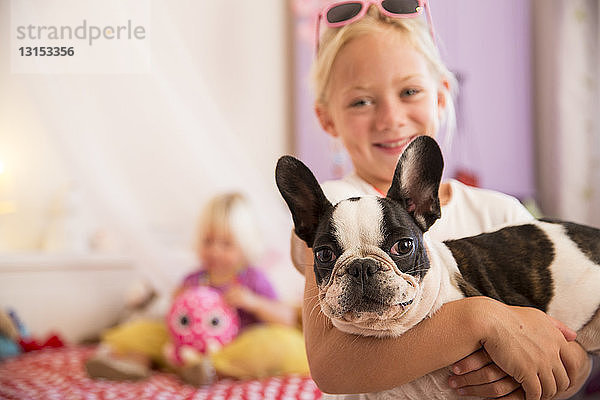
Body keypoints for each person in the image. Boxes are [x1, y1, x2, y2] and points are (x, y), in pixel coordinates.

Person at [291, 2, 592, 399]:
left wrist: (572, 366)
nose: (390, 117)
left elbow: (567, 340)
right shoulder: (335, 207)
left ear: (442, 95)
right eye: (361, 101)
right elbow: (331, 369)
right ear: (327, 118)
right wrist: (479, 319)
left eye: (410, 91)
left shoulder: (500, 213)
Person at [87, 192, 306, 383]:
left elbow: (286, 319)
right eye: (208, 241)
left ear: (245, 245)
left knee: (269, 344)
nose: (215, 251)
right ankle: (133, 365)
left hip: (234, 346)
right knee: (148, 332)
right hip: (189, 347)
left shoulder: (252, 279)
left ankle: (210, 371)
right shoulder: (196, 278)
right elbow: (174, 314)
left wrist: (254, 302)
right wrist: (178, 299)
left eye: (226, 244)